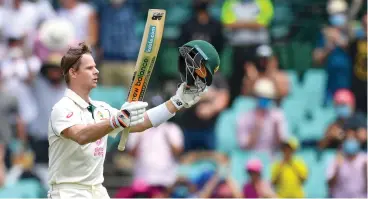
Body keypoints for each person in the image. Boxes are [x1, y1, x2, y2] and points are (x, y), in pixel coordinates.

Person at [47, 40, 220, 199]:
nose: (96, 71)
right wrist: (116, 121)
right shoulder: (62, 109)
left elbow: (141, 123)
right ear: (73, 72)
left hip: (96, 190)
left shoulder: (101, 109)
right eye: (89, 68)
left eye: (95, 66)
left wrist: (177, 102)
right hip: (68, 191)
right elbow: (81, 135)